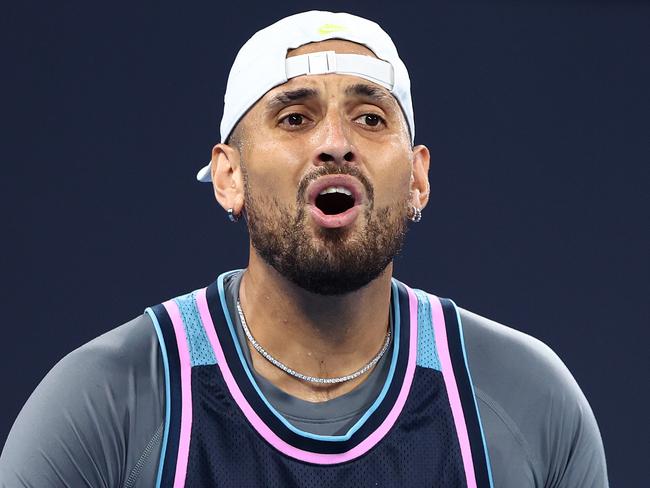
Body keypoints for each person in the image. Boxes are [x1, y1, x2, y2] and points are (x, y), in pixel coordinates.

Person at [0, 10, 608, 488]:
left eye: (370, 118)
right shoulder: (103, 407)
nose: (336, 144)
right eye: (295, 118)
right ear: (228, 176)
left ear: (418, 178)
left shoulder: (529, 403)